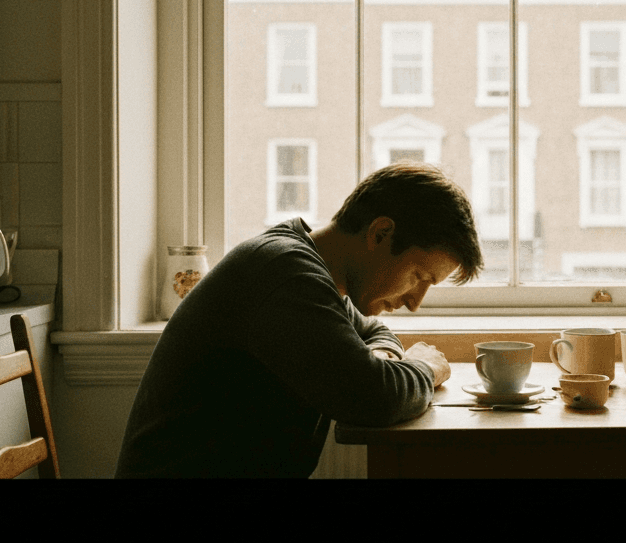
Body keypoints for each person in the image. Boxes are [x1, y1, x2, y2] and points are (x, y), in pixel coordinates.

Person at [115, 162, 483, 478]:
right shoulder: (285, 274)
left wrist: (379, 360)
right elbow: (372, 397)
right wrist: (425, 368)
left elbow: (373, 331)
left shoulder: (314, 270)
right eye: (419, 276)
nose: (415, 302)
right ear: (380, 233)